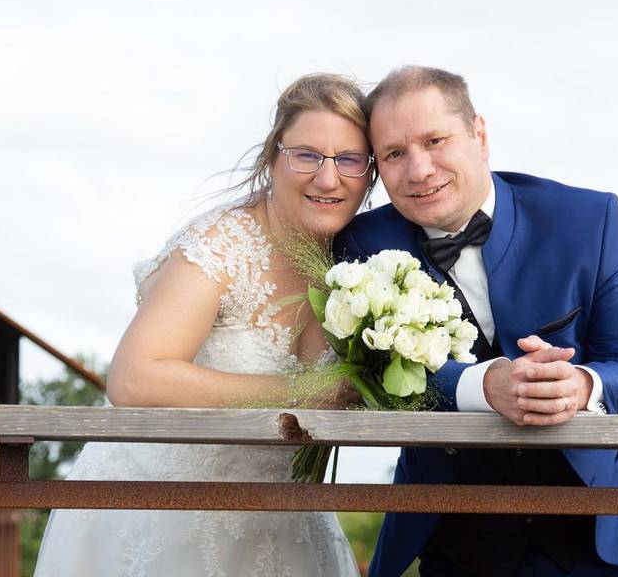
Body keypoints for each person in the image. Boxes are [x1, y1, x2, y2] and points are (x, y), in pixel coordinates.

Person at [335, 66, 618, 577]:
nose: (419, 169)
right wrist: (482, 385)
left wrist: (582, 385)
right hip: (454, 532)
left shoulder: (589, 220)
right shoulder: (362, 244)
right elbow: (372, 377)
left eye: (435, 140)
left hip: (596, 530)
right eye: (394, 154)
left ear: (479, 135)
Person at [33, 73, 375, 577]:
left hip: (284, 531)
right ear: (271, 157)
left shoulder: (359, 265)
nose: (328, 179)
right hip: (165, 520)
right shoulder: (222, 245)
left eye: (347, 160)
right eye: (306, 155)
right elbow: (134, 378)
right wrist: (299, 393)